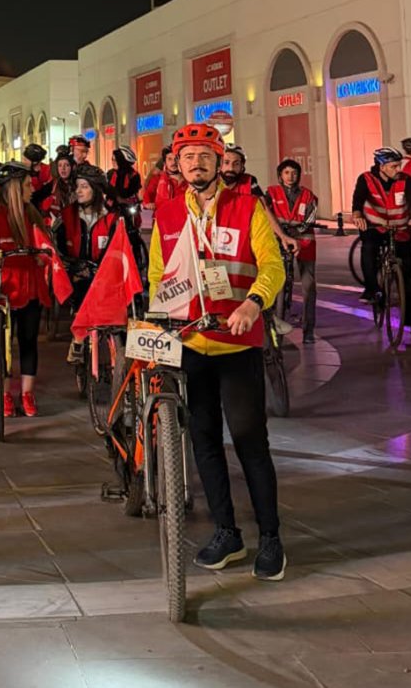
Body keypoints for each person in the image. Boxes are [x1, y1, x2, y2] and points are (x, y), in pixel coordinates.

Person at [148, 123, 287, 581]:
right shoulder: (168, 214)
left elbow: (272, 265)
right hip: (192, 344)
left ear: (219, 161)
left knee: (249, 440)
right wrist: (161, 325)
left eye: (205, 156)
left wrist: (254, 303)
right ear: (178, 164)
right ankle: (227, 531)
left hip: (237, 341)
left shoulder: (247, 207)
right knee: (203, 441)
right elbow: (158, 276)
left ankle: (271, 537)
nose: (196, 164)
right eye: (188, 157)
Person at [0, 162, 51, 418]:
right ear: (16, 188)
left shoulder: (32, 214)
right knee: (3, 344)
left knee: (29, 341)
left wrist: (44, 256)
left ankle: (27, 393)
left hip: (30, 287)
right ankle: (5, 393)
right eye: (28, 185)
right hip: (5, 288)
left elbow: (45, 244)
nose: (33, 189)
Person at [352, 147, 411, 342]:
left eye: (399, 165)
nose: (398, 169)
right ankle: (372, 289)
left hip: (400, 229)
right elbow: (358, 201)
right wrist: (357, 216)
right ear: (382, 167)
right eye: (393, 166)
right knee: (369, 249)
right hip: (375, 226)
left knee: (407, 278)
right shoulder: (366, 179)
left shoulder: (405, 181)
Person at [59, 164, 120, 363]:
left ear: (96, 189)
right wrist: (70, 264)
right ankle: (77, 340)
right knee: (81, 291)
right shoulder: (67, 216)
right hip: (77, 273)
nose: (78, 191)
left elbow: (120, 248)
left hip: (105, 273)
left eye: (84, 186)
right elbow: (57, 246)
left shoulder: (112, 217)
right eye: (77, 186)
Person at [266, 160, 318, 343]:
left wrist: (298, 230)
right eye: (286, 172)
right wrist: (281, 232)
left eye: (294, 172)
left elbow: (311, 216)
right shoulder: (270, 193)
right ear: (280, 176)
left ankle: (308, 331)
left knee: (308, 285)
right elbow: (266, 214)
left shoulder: (308, 195)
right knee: (277, 283)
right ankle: (274, 326)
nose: (290, 176)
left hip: (304, 241)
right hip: (280, 239)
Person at [221, 146, 298, 255]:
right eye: (226, 162)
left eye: (236, 164)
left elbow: (265, 209)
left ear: (242, 166)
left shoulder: (249, 182)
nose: (231, 168)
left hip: (243, 240)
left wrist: (282, 236)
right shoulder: (211, 183)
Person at [36, 148, 75, 224]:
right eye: (60, 165)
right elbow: (37, 196)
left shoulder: (77, 185)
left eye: (67, 165)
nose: (63, 168)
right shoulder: (53, 184)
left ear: (72, 167)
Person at [152, 147, 186, 216]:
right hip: (163, 215)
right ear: (164, 162)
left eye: (176, 159)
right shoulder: (158, 179)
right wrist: (148, 203)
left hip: (184, 216)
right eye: (170, 159)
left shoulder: (189, 180)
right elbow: (149, 192)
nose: (173, 162)